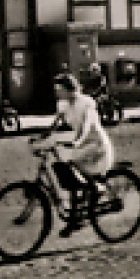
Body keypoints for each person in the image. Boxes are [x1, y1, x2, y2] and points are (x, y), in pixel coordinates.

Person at [32, 71, 114, 235]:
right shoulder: (63, 104)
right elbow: (56, 124)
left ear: (69, 89)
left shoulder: (86, 103)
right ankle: (75, 218)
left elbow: (86, 125)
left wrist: (76, 142)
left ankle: (98, 189)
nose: (56, 93)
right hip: (81, 146)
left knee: (72, 168)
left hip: (96, 145)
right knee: (70, 177)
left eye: (59, 89)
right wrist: (42, 136)